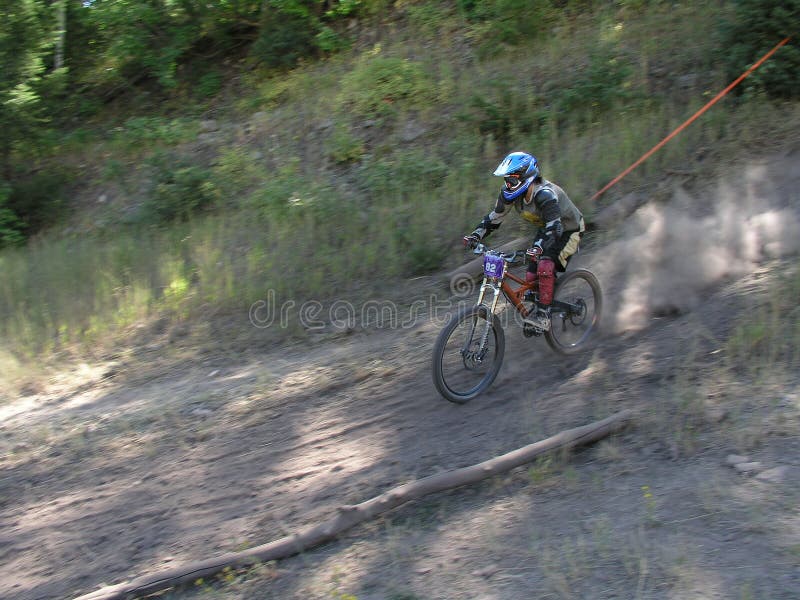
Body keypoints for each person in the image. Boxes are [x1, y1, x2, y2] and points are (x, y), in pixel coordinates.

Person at [464, 152, 585, 326]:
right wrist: (476, 235)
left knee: (545, 266)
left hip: (569, 230)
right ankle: (542, 303)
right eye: (506, 180)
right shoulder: (511, 194)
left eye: (512, 180)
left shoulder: (545, 194)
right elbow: (494, 217)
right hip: (547, 229)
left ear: (527, 177)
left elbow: (555, 226)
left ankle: (544, 316)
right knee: (530, 276)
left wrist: (539, 248)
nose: (508, 185)